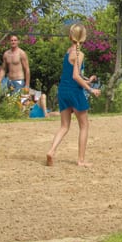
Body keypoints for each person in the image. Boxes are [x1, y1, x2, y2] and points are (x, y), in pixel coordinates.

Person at [46, 24, 101, 166]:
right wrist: (91, 89)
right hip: (75, 92)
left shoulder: (68, 51)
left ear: (71, 37)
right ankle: (81, 160)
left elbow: (74, 74)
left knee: (64, 126)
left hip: (63, 90)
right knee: (84, 126)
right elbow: (76, 76)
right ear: (83, 38)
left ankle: (51, 151)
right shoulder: (79, 54)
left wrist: (88, 79)